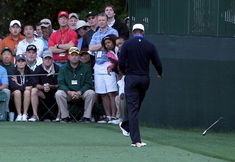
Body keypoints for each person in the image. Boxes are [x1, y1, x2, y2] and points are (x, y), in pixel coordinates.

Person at [118, 24, 163, 147]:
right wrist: (160, 73)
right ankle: (131, 132)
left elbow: (121, 62)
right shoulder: (150, 45)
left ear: (133, 32)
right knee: (135, 107)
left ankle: (132, 135)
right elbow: (157, 62)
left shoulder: (127, 44)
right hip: (144, 80)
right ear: (143, 32)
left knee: (133, 107)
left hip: (131, 78)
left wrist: (125, 71)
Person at [55, 47, 96, 122]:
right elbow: (61, 83)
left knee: (91, 93)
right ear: (68, 56)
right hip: (69, 93)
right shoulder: (63, 68)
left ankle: (86, 117)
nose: (74, 57)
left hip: (81, 93)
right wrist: (69, 92)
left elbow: (88, 83)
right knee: (59, 94)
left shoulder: (86, 68)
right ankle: (65, 117)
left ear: (79, 57)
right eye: (72, 55)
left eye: (76, 55)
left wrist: (80, 92)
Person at [29, 50, 60, 122]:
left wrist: (51, 86)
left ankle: (59, 115)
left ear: (52, 59)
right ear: (42, 59)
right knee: (34, 90)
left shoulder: (58, 68)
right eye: (46, 58)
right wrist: (43, 87)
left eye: (49, 58)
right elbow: (35, 84)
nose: (48, 60)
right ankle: (35, 115)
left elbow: (60, 84)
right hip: (43, 93)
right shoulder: (38, 68)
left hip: (55, 92)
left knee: (61, 92)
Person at [9, 54, 35, 121]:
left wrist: (18, 84)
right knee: (17, 92)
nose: (21, 63)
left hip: (26, 93)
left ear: (25, 62)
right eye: (19, 61)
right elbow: (13, 86)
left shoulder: (29, 71)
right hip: (14, 93)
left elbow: (32, 84)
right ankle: (19, 114)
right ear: (16, 62)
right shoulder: (12, 71)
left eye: (22, 61)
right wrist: (23, 87)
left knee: (27, 92)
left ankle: (25, 114)